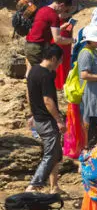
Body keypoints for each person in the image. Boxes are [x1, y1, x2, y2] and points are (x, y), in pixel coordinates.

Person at [25, 45, 65, 193]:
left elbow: (29, 95)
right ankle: (33, 186)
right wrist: (59, 120)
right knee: (51, 154)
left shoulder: (33, 70)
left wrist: (32, 114)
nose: (60, 64)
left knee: (56, 153)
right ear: (54, 58)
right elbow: (48, 100)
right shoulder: (46, 75)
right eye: (60, 60)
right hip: (47, 121)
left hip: (38, 118)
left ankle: (54, 186)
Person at [24, 0, 73, 70]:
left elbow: (43, 29)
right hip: (38, 47)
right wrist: (72, 40)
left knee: (35, 72)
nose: (64, 12)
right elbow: (57, 40)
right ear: (62, 5)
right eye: (66, 10)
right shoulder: (54, 16)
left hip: (30, 45)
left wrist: (60, 29)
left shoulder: (42, 9)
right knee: (42, 73)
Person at [77, 26, 97, 147]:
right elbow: (84, 75)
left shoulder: (94, 51)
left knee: (96, 121)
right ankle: (90, 148)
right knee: (92, 122)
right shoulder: (86, 53)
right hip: (91, 93)